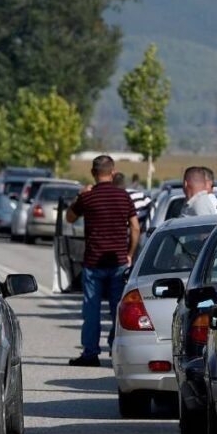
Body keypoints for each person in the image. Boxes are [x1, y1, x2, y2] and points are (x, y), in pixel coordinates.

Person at [66, 156, 140, 366]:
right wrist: (130, 253)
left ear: (93, 173)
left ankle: (90, 353)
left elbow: (69, 218)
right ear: (113, 172)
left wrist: (80, 195)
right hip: (118, 262)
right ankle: (115, 348)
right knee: (117, 309)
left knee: (92, 310)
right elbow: (135, 227)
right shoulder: (124, 197)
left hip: (93, 263)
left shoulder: (88, 198)